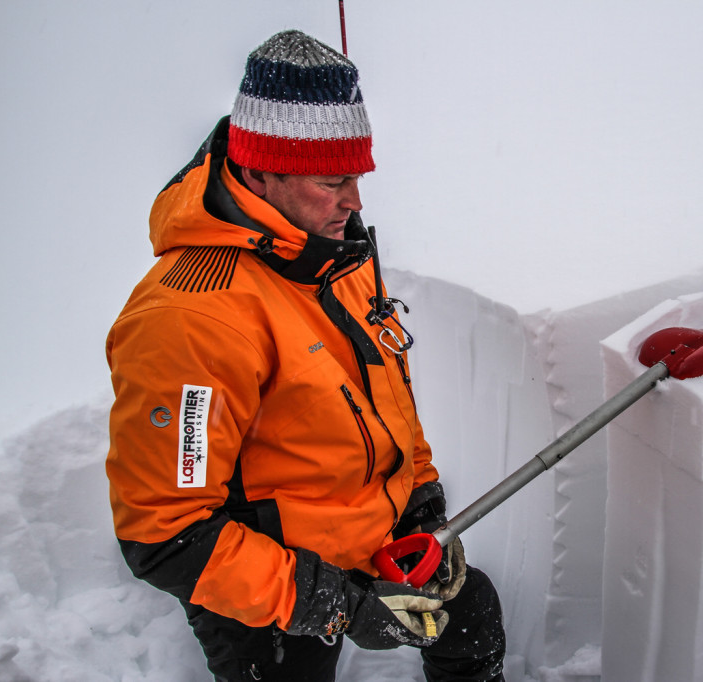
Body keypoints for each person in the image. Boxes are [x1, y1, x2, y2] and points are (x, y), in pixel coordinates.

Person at [105, 30, 506, 681]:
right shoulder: (193, 317)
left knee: (471, 616)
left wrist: (419, 502)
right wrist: (332, 605)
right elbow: (166, 534)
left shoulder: (333, 250)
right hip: (267, 586)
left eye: (357, 176)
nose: (355, 201)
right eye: (332, 180)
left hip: (359, 535)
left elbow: (380, 385)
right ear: (260, 171)